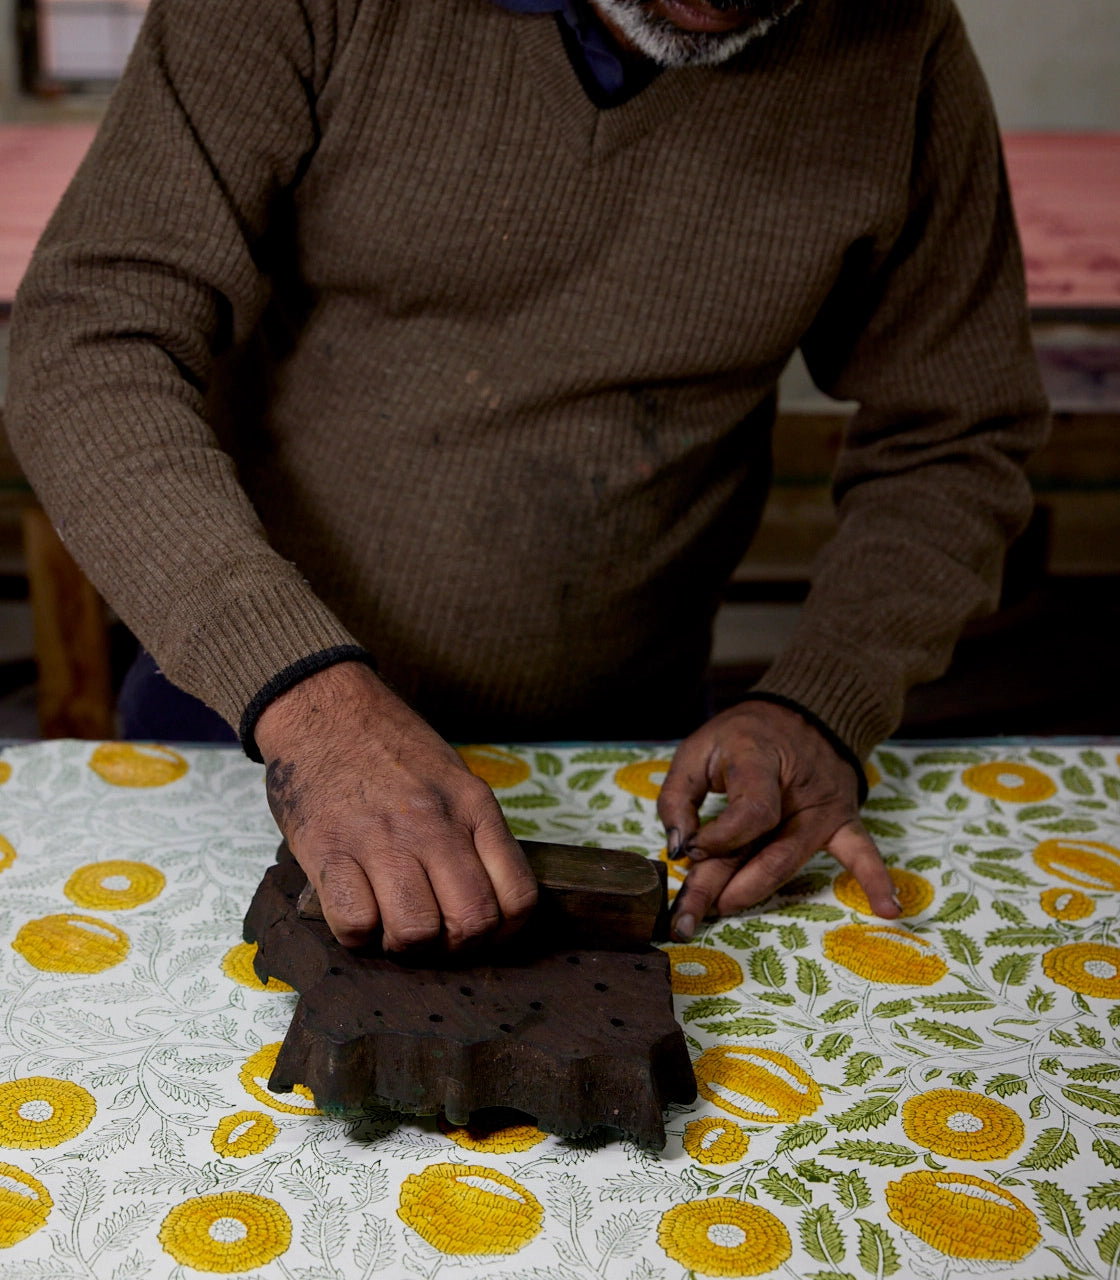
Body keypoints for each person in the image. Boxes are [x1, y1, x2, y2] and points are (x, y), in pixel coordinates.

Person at [6, 0, 1049, 956]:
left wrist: (822, 705)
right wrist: (312, 708)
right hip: (250, 720)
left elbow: (957, 433)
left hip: (624, 763)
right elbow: (90, 339)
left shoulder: (895, 41)